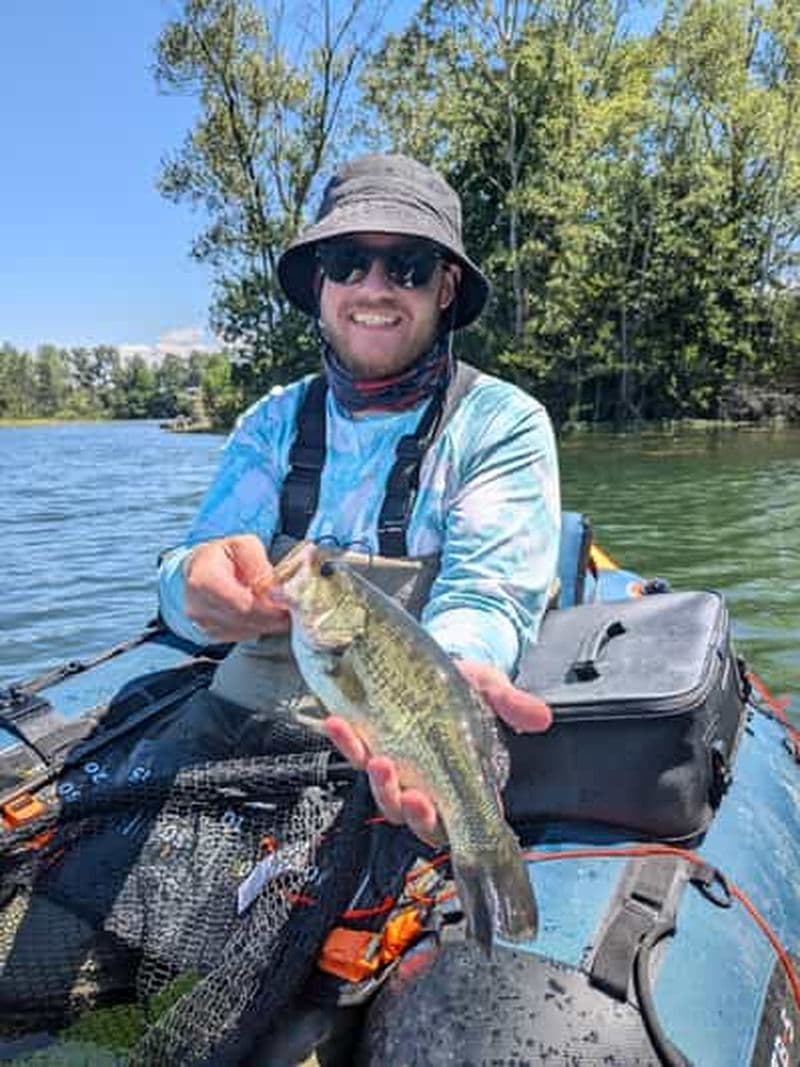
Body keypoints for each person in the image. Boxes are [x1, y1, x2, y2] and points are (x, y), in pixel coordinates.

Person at [157, 152, 561, 1062]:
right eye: (349, 263)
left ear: (446, 286)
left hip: (391, 753)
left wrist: (451, 678)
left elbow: (485, 594)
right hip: (242, 736)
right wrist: (192, 587)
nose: (375, 287)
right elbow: (191, 568)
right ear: (320, 286)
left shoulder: (499, 424)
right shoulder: (271, 422)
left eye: (408, 265)